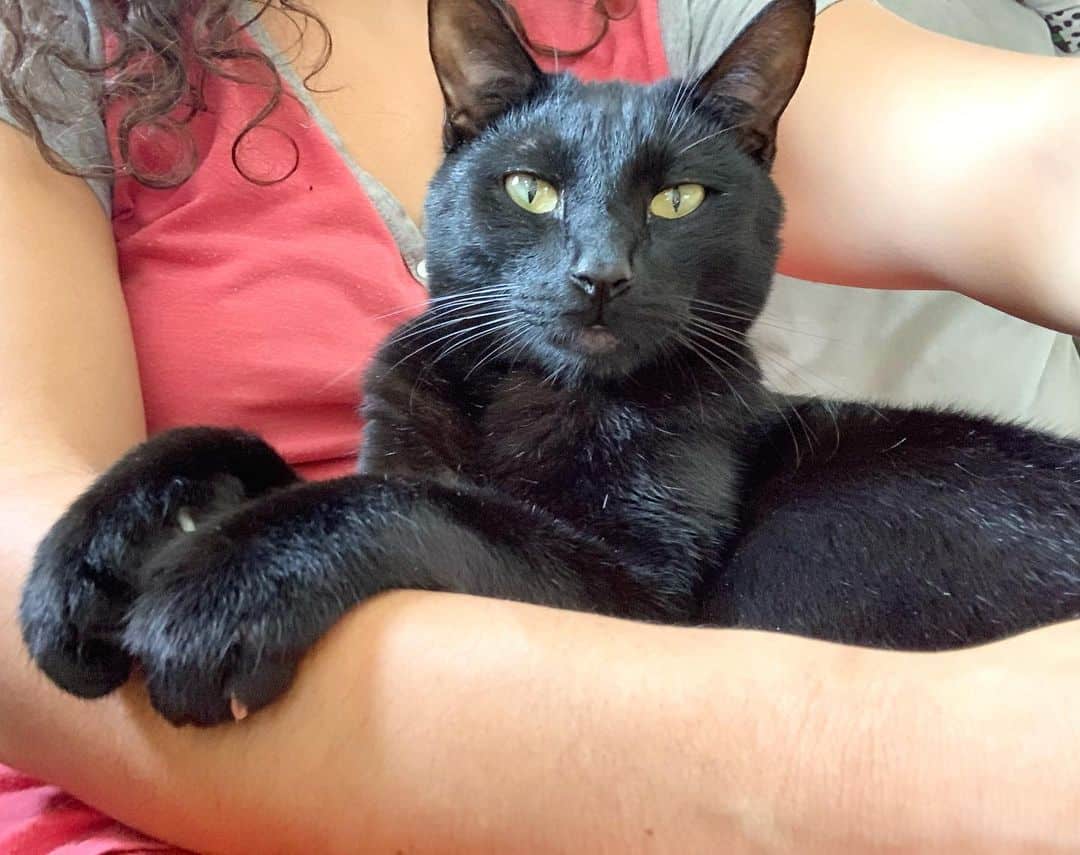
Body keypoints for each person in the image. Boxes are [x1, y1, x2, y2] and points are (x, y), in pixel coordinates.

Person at [1, 0, 1078, 851]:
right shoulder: (65, 43)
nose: (601, 265)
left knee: (835, 518)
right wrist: (239, 491)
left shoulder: (691, 397)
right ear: (465, 142)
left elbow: (1043, 156)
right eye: (530, 189)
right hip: (183, 774)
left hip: (883, 664)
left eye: (670, 203)